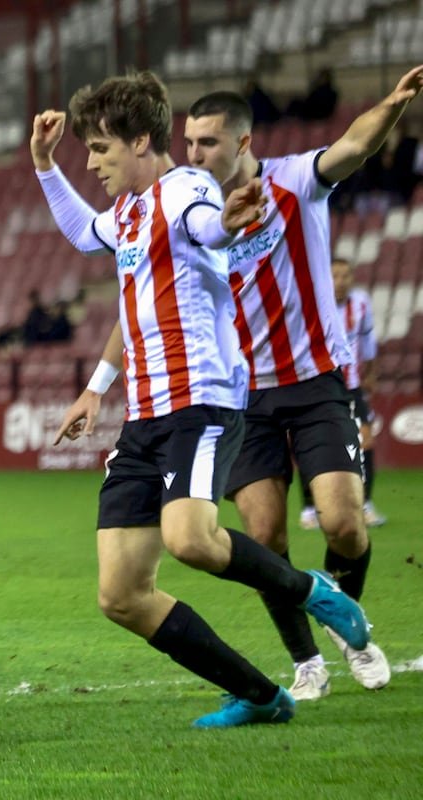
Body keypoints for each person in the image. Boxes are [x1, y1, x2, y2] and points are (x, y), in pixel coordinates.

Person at [32, 71, 370, 729]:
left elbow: (207, 226)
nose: (93, 164)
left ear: (139, 141)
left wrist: (229, 223)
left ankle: (312, 590)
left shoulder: (184, 188)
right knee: (121, 594)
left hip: (200, 404)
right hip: (145, 418)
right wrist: (46, 165)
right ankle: (261, 696)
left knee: (190, 539)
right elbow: (82, 232)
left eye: (100, 149)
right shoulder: (128, 213)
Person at [182, 65, 422, 700]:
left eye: (206, 142)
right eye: (188, 143)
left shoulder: (293, 179)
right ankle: (306, 660)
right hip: (243, 397)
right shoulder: (193, 214)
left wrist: (393, 104)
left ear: (242, 141)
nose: (194, 154)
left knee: (344, 523)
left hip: (316, 381)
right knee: (264, 538)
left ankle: (349, 629)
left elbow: (355, 145)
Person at [300, 257, 385, 529]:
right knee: (308, 445)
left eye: (345, 275)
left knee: (366, 441)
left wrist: (370, 373)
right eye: (335, 276)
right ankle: (309, 508)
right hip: (320, 385)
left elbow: (367, 340)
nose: (340, 281)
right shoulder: (313, 300)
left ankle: (365, 504)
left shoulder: (360, 303)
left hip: (352, 385)